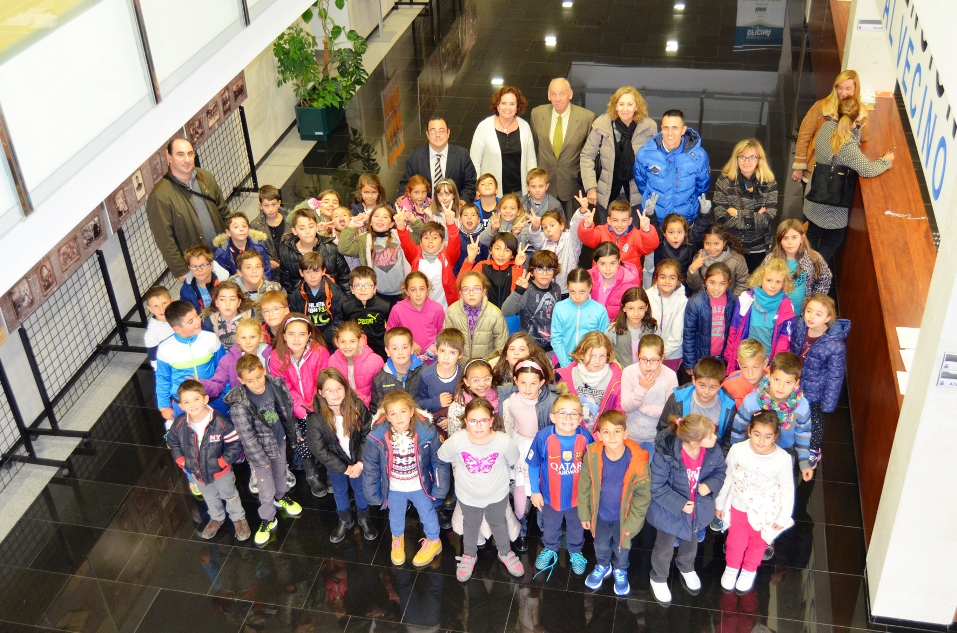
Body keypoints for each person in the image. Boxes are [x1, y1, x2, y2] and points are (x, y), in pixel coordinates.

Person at [437, 397, 524, 582]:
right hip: (468, 496)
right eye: (473, 421)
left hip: (497, 495)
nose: (478, 426)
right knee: (471, 524)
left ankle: (505, 552)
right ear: (466, 422)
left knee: (499, 523)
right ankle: (469, 555)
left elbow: (512, 459)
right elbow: (443, 455)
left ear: (491, 420)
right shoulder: (458, 440)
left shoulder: (503, 441)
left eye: (483, 420)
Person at [224, 355, 303, 548]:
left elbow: (286, 411)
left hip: (280, 440)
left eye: (259, 377)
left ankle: (282, 496)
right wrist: (261, 459)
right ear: (241, 381)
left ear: (264, 372)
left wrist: (295, 431)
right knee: (265, 488)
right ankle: (268, 519)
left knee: (281, 472)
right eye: (249, 380)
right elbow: (247, 437)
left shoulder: (275, 385)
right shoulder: (239, 405)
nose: (256, 383)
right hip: (261, 452)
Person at [647, 413, 726, 605]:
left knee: (691, 541)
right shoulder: (666, 454)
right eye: (710, 436)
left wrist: (710, 484)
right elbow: (656, 486)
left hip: (697, 508)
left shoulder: (713, 451)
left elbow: (720, 471)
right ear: (692, 441)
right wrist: (679, 503)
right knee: (664, 547)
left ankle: (686, 566)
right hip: (669, 510)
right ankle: (658, 577)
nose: (715, 438)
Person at [802, 98, 893, 263]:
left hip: (815, 193)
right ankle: (814, 269)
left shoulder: (826, 127)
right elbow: (867, 170)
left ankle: (802, 269)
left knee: (812, 237)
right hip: (831, 205)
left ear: (837, 113)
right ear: (857, 118)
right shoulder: (845, 146)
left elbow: (852, 141)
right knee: (833, 240)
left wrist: (854, 127)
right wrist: (885, 161)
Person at [364, 390, 449, 567]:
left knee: (427, 513)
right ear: (387, 416)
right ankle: (397, 539)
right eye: (393, 414)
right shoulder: (378, 437)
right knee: (395, 515)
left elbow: (438, 460)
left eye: (403, 412)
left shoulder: (426, 432)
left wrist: (440, 488)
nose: (399, 417)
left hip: (419, 485)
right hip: (395, 487)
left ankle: (434, 541)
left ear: (412, 412)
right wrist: (372, 493)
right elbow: (371, 466)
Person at [715, 410, 795, 594]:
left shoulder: (782, 459)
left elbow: (787, 490)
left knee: (758, 544)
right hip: (740, 504)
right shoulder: (738, 450)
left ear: (775, 436)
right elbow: (726, 478)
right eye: (757, 434)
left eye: (767, 437)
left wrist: (783, 517)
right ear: (749, 431)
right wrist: (719, 503)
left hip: (766, 511)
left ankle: (749, 570)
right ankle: (732, 568)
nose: (761, 441)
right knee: (736, 541)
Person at [578, 410, 652, 597]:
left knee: (622, 545)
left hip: (624, 516)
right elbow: (584, 486)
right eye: (606, 432)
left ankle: (620, 568)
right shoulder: (592, 455)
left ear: (626, 433)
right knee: (600, 543)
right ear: (599, 435)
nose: (612, 436)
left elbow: (642, 497)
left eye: (617, 431)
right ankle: (603, 565)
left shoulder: (638, 462)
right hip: (600, 514)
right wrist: (585, 514)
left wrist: (633, 523)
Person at [167, 380, 249, 540]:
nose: (192, 405)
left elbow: (235, 443)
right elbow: (173, 441)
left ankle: (239, 518)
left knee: (230, 495)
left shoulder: (220, 423)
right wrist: (181, 459)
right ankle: (217, 517)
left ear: (205, 399)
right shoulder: (179, 424)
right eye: (186, 402)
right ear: (181, 406)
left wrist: (223, 462)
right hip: (197, 472)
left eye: (196, 399)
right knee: (209, 496)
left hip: (221, 471)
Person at [307, 368, 378, 543]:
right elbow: (319, 449)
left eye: (339, 388)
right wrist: (344, 468)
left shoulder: (357, 406)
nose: (335, 394)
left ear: (345, 387)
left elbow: (368, 434)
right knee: (339, 490)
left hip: (357, 460)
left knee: (360, 489)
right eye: (329, 390)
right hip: (336, 463)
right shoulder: (315, 418)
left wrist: (360, 463)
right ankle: (345, 519)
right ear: (321, 393)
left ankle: (364, 517)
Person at [527, 394, 594, 579]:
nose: (568, 418)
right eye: (562, 413)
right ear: (552, 417)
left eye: (574, 414)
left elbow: (593, 468)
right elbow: (533, 465)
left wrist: (590, 496)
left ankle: (575, 551)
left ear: (581, 419)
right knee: (550, 526)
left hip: (577, 498)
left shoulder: (586, 438)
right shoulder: (543, 437)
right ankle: (550, 548)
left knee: (576, 526)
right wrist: (535, 491)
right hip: (550, 496)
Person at [146, 138, 229, 280]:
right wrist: (181, 271)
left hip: (223, 252)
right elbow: (165, 241)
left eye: (190, 154)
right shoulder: (159, 197)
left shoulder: (205, 177)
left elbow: (224, 211)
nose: (187, 159)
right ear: (169, 158)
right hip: (197, 267)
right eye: (180, 154)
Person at [268, 314, 332, 498]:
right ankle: (311, 473)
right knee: (303, 441)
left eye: (302, 334)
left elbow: (325, 380)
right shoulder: (276, 357)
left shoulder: (320, 352)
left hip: (321, 405)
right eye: (292, 334)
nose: (297, 339)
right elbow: (283, 388)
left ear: (309, 335)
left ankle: (330, 470)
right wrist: (302, 410)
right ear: (284, 336)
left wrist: (317, 406)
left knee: (327, 438)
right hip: (295, 410)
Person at [502, 358, 561, 551]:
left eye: (533, 383)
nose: (528, 388)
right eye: (523, 382)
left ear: (542, 383)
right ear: (515, 380)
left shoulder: (551, 402)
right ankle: (521, 525)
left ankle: (545, 527)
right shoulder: (510, 402)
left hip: (543, 447)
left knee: (544, 486)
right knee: (521, 489)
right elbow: (508, 429)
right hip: (521, 448)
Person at [730, 352, 812, 481]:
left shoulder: (802, 406)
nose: (781, 387)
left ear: (797, 383)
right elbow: (739, 427)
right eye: (776, 379)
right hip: (753, 451)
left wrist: (803, 461)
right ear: (769, 376)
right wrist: (735, 453)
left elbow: (803, 433)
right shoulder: (752, 401)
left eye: (788, 383)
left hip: (784, 453)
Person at [579, 87, 657, 221]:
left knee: (632, 237)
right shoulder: (601, 125)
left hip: (637, 195)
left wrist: (652, 191)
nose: (625, 109)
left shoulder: (649, 127)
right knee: (607, 237)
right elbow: (586, 156)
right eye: (621, 104)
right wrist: (591, 187)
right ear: (615, 106)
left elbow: (656, 162)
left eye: (630, 104)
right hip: (607, 193)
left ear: (637, 107)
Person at [790, 294, 848, 470]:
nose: (811, 317)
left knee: (815, 420)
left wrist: (828, 404)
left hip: (815, 391)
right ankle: (795, 440)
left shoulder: (835, 346)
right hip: (795, 383)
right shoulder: (801, 326)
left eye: (818, 314)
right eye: (809, 311)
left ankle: (814, 449)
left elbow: (835, 377)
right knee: (793, 412)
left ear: (828, 318)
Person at [530, 78, 597, 216]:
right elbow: (536, 145)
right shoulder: (537, 114)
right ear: (548, 96)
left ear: (570, 94)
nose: (558, 98)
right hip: (545, 186)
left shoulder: (587, 118)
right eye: (553, 94)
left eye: (562, 93)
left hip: (572, 186)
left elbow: (590, 155)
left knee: (571, 229)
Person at [792, 69, 870, 185]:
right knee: (811, 201)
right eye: (840, 87)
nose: (843, 93)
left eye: (848, 88)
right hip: (816, 170)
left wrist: (857, 119)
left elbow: (864, 138)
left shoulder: (860, 111)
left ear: (855, 89)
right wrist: (799, 166)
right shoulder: (821, 107)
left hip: (841, 174)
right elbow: (804, 136)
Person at [635, 109, 711, 225]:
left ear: (683, 130)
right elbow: (641, 183)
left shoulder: (699, 157)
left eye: (675, 128)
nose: (670, 133)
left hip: (685, 223)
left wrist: (689, 208)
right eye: (666, 128)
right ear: (661, 128)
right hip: (654, 222)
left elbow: (702, 188)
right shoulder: (645, 154)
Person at [712, 139, 779, 271]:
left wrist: (737, 214)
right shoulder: (724, 181)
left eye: (752, 157)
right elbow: (721, 217)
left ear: (759, 160)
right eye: (742, 157)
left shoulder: (770, 184)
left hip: (758, 248)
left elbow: (766, 219)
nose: (746, 161)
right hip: (731, 247)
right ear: (736, 159)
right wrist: (755, 216)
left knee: (753, 288)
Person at [155, 301, 226, 422]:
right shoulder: (165, 348)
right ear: (177, 329)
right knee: (189, 436)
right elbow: (163, 379)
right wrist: (164, 406)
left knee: (223, 431)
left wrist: (227, 394)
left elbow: (223, 369)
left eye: (197, 316)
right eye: (190, 321)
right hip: (184, 405)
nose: (198, 321)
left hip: (215, 399)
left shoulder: (211, 339)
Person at [724, 259, 797, 373]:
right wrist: (730, 355)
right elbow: (734, 329)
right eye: (769, 280)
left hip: (768, 363)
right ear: (760, 279)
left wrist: (775, 364)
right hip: (745, 360)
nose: (773, 285)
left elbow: (785, 338)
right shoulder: (745, 299)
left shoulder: (786, 306)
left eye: (778, 282)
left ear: (784, 283)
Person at [470, 86, 537, 196]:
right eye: (504, 103)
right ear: (497, 105)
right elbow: (474, 161)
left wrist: (532, 185)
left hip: (519, 192)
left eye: (512, 104)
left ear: (517, 106)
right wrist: (477, 188)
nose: (508, 107)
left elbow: (531, 161)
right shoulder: (484, 127)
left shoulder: (524, 127)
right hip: (491, 193)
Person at [339, 206, 411, 309]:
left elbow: (419, 239)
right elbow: (344, 249)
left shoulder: (400, 235)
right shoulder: (363, 239)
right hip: (376, 293)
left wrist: (411, 221)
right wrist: (351, 226)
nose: (380, 219)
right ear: (370, 222)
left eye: (385, 217)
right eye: (376, 216)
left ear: (391, 223)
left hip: (401, 292)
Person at [658, 356, 738, 445]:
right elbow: (664, 430)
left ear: (720, 385)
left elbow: (728, 440)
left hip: (713, 454)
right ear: (694, 380)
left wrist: (718, 458)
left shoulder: (728, 405)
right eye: (702, 386)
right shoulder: (678, 399)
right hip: (681, 452)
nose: (706, 392)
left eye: (712, 387)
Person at [621, 334, 678, 456]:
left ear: (662, 358)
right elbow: (627, 407)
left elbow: (669, 412)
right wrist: (641, 389)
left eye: (653, 360)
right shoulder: (629, 372)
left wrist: (642, 407)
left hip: (657, 437)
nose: (648, 364)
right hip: (632, 435)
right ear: (637, 356)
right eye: (643, 359)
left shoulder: (670, 376)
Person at [555, 332, 623, 434]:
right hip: (573, 434)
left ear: (608, 356)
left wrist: (599, 436)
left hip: (602, 436)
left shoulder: (616, 379)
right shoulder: (566, 377)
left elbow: (619, 411)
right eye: (592, 355)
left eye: (602, 356)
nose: (597, 361)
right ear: (582, 354)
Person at [398, 117, 477, 202]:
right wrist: (403, 198)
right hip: (423, 208)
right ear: (427, 134)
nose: (437, 135)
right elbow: (406, 184)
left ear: (448, 133)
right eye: (433, 131)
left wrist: (462, 201)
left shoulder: (462, 155)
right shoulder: (416, 156)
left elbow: (470, 184)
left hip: (454, 207)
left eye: (441, 131)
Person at [395, 210, 461, 308]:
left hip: (444, 308)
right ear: (420, 242)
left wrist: (451, 223)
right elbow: (406, 243)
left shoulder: (448, 256)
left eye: (435, 238)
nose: (430, 241)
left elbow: (455, 243)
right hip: (419, 308)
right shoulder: (415, 255)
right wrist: (401, 227)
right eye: (426, 238)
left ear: (443, 242)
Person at [762, 219, 832, 311]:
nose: (790, 243)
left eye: (794, 237)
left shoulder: (813, 257)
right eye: (785, 238)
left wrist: (814, 301)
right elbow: (760, 280)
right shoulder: (771, 259)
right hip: (776, 311)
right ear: (779, 240)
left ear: (802, 238)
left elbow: (825, 278)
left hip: (801, 313)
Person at [501, 250, 562, 352]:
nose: (545, 274)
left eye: (549, 269)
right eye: (540, 269)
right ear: (532, 271)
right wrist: (519, 290)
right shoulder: (527, 289)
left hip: (551, 347)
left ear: (554, 272)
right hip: (529, 348)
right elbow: (506, 311)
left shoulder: (556, 288)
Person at [279, 208, 350, 296]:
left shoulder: (331, 249)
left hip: (332, 303)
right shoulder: (287, 256)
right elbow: (287, 288)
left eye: (311, 227)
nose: (307, 231)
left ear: (316, 227)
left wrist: (345, 306)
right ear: (294, 231)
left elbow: (345, 279)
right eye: (302, 228)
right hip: (302, 305)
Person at [682, 262, 737, 374]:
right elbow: (688, 335)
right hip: (701, 359)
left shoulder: (733, 302)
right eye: (712, 282)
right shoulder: (695, 303)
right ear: (705, 280)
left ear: (728, 283)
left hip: (723, 358)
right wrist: (690, 363)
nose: (716, 288)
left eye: (722, 283)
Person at [577, 197, 659, 271]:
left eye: (624, 220)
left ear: (630, 221)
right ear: (609, 220)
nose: (619, 225)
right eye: (615, 220)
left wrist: (646, 230)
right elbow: (587, 239)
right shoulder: (601, 231)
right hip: (602, 279)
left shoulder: (636, 235)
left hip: (628, 282)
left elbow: (649, 247)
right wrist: (587, 226)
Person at [201, 317, 273, 401]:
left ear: (260, 337)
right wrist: (202, 386)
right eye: (243, 338)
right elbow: (218, 384)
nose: (248, 342)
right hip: (243, 404)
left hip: (270, 400)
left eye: (252, 337)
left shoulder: (270, 356)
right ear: (238, 339)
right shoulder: (228, 360)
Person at [444, 271, 509, 363]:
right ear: (461, 293)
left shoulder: (495, 314)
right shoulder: (452, 312)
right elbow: (448, 342)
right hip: (459, 365)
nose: (471, 293)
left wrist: (491, 365)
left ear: (484, 291)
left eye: (476, 289)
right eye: (466, 290)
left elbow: (501, 348)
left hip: (486, 366)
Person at [551, 268, 610, 368]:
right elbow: (556, 339)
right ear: (567, 288)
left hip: (591, 362)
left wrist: (592, 361)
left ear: (590, 288)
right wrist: (566, 364)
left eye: (582, 291)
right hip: (565, 361)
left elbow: (604, 340)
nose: (577, 297)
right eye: (572, 292)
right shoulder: (560, 308)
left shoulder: (600, 310)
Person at [288, 252, 344, 349]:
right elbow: (296, 318)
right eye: (308, 272)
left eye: (316, 271)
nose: (312, 276)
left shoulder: (334, 290)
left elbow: (340, 317)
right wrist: (310, 336)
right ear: (301, 273)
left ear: (323, 271)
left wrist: (324, 337)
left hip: (331, 339)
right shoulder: (297, 294)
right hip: (308, 339)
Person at [386, 272, 447, 361]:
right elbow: (389, 335)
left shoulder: (437, 309)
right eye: (413, 290)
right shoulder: (397, 310)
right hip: (406, 361)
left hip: (432, 362)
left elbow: (441, 335)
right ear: (407, 291)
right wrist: (409, 342)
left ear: (427, 289)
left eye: (422, 289)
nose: (418, 294)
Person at [526, 207, 584, 295]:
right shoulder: (543, 240)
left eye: (552, 225)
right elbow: (534, 238)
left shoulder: (571, 239)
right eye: (544, 227)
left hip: (568, 291)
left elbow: (576, 226)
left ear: (561, 225)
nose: (548, 230)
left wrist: (581, 212)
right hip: (547, 290)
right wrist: (535, 227)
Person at [327, 321, 384, 408]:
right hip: (344, 408)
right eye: (343, 342)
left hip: (370, 408)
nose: (347, 346)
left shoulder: (376, 361)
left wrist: (363, 405)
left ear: (360, 341)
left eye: (352, 341)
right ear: (336, 342)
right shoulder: (333, 361)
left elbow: (380, 393)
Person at [650, 211, 713, 288]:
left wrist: (704, 212)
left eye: (679, 232)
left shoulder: (690, 243)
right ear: (664, 234)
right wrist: (650, 214)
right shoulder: (660, 244)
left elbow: (700, 228)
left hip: (684, 288)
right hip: (663, 286)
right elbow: (653, 228)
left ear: (685, 233)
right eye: (671, 232)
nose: (675, 236)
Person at [340, 267, 392, 360]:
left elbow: (390, 329)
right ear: (352, 289)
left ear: (375, 288)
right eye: (358, 285)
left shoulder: (385, 306)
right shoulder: (346, 307)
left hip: (380, 350)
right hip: (356, 350)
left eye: (368, 285)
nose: (363, 289)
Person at [685, 225, 750, 297]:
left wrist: (731, 302)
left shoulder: (737, 260)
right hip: (704, 301)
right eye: (707, 243)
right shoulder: (699, 258)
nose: (711, 248)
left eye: (716, 244)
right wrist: (693, 269)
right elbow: (694, 287)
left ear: (724, 243)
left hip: (728, 302)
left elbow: (743, 284)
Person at [647, 259, 688, 373]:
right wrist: (651, 353)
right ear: (656, 278)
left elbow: (677, 335)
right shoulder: (647, 296)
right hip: (647, 354)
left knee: (666, 386)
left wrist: (660, 354)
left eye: (672, 277)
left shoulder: (682, 301)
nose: (667, 281)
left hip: (672, 355)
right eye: (663, 277)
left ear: (678, 280)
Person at [370, 327, 426, 411]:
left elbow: (431, 404)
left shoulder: (426, 373)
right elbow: (376, 410)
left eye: (404, 347)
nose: (400, 352)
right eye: (395, 348)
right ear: (387, 351)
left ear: (411, 348)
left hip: (421, 421)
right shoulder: (380, 379)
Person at [415, 328, 464, 416]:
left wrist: (451, 420)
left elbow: (469, 404)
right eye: (442, 351)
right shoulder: (426, 375)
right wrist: (437, 402)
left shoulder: (464, 376)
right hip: (431, 423)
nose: (446, 357)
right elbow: (418, 403)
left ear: (460, 354)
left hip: (457, 423)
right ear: (436, 351)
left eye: (452, 353)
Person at [606, 286, 657, 368]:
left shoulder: (653, 329)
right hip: (621, 376)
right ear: (624, 308)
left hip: (646, 374)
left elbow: (658, 354)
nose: (636, 314)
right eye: (631, 308)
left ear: (646, 308)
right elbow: (606, 355)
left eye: (640, 308)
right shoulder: (613, 330)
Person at [212, 212, 275, 279]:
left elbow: (266, 270)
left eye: (244, 226)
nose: (241, 229)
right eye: (236, 227)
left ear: (248, 229)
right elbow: (224, 278)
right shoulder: (221, 253)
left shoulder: (259, 246)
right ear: (228, 232)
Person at [445, 359, 499, 435]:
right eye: (476, 380)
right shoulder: (457, 407)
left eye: (487, 379)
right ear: (466, 382)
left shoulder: (500, 399)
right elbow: (455, 437)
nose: (482, 384)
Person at [201, 281, 255, 350]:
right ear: (216, 302)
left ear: (239, 302)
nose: (227, 303)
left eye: (232, 299)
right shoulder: (209, 322)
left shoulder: (251, 317)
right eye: (222, 299)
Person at [179, 245, 229, 312]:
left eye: (203, 265)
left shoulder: (225, 284)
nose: (199, 270)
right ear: (189, 268)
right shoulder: (186, 291)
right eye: (194, 267)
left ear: (211, 265)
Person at [721, 339, 768, 408]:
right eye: (745, 367)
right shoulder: (729, 384)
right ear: (739, 364)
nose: (750, 374)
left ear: (765, 363)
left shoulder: (775, 383)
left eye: (755, 367)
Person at [249, 184, 285, 268]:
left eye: (273, 204)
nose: (270, 209)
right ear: (260, 205)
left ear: (279, 203)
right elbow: (253, 249)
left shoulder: (290, 221)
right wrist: (266, 260)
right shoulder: (255, 226)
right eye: (266, 205)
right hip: (270, 272)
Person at [143, 286, 173, 370]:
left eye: (164, 303)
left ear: (172, 301)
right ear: (150, 309)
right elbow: (155, 362)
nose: (162, 309)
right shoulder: (151, 334)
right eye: (156, 306)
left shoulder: (181, 318)